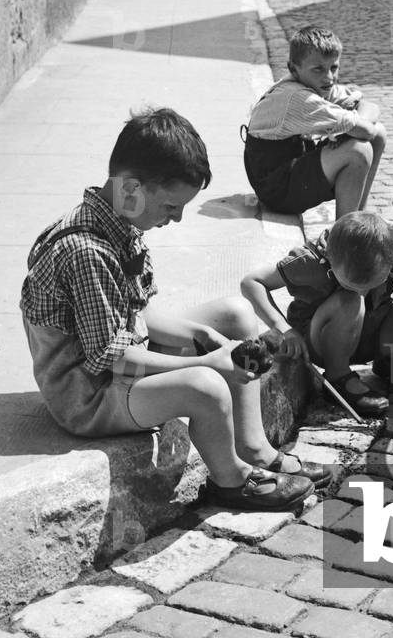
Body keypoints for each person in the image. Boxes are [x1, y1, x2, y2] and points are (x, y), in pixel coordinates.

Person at [20, 107, 330, 511]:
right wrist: (210, 364)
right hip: (90, 394)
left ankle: (254, 447)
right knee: (206, 386)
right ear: (131, 188)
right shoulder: (85, 251)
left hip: (117, 359)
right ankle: (231, 481)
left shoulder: (118, 222)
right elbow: (111, 358)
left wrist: (201, 336)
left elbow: (138, 316)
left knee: (235, 315)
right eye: (170, 207)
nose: (178, 218)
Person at [240, 211, 393, 416]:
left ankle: (389, 361)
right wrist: (283, 328)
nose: (364, 292)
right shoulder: (309, 261)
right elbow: (252, 282)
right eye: (351, 284)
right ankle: (338, 377)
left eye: (372, 284)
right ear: (330, 257)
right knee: (351, 300)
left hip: (372, 328)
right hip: (321, 340)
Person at [242, 25, 387, 219]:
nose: (329, 77)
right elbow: (365, 131)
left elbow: (370, 107)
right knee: (358, 151)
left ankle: (358, 220)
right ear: (294, 68)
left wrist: (348, 129)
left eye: (333, 67)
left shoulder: (316, 83)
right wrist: (351, 130)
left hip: (293, 169)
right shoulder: (297, 97)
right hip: (276, 189)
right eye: (318, 69)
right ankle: (343, 238)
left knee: (379, 133)